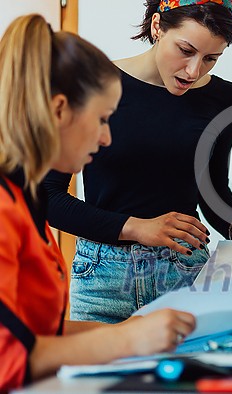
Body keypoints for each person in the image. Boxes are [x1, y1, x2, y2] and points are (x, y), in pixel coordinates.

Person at [43, 0, 232, 325]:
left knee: (192, 376)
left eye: (211, 58)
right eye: (185, 50)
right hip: (103, 278)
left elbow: (212, 189)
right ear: (157, 26)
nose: (194, 71)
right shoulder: (92, 85)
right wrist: (138, 228)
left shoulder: (225, 98)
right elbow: (47, 197)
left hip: (185, 272)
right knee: (98, 377)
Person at [0, 14, 195, 392]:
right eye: (102, 119)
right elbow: (7, 358)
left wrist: (132, 330)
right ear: (59, 111)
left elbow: (39, 333)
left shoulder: (21, 204)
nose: (106, 138)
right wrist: (127, 341)